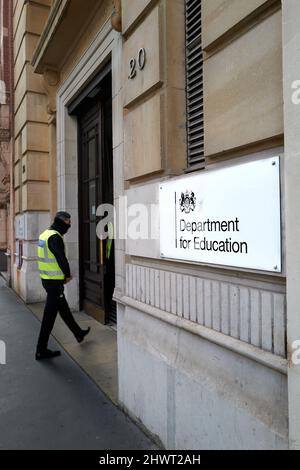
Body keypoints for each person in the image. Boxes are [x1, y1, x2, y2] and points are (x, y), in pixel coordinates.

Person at [35, 211, 90, 360]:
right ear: (62, 221)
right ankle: (41, 350)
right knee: (49, 317)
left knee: (63, 309)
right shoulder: (54, 237)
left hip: (47, 280)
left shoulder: (44, 234)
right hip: (54, 282)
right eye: (68, 222)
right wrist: (66, 275)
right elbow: (61, 258)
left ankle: (78, 333)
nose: (70, 225)